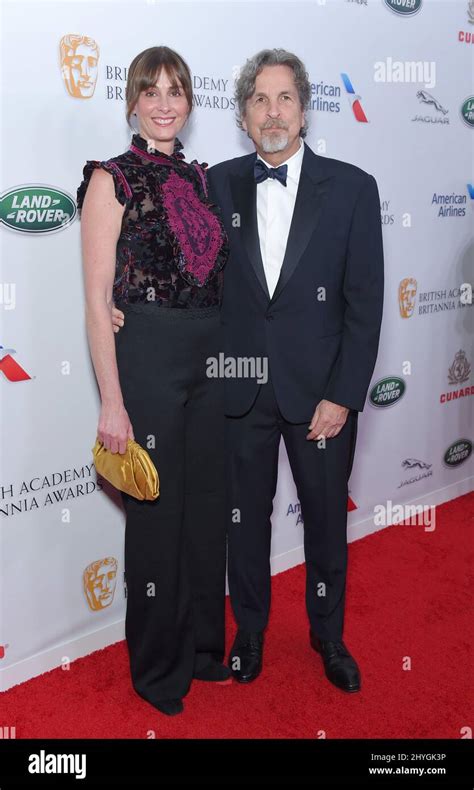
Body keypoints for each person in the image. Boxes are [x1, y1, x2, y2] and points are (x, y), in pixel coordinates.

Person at [113, 48, 384, 695]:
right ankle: (251, 634)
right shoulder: (213, 183)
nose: (272, 111)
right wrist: (117, 309)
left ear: (304, 108)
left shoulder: (352, 188)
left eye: (284, 97)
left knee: (324, 521)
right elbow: (168, 263)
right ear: (240, 113)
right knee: (243, 524)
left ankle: (328, 636)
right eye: (259, 99)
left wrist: (344, 396)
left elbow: (365, 305)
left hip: (320, 397)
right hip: (234, 392)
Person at [77, 45, 230, 716]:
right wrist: (112, 400)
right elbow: (95, 300)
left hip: (209, 360)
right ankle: (157, 669)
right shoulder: (110, 179)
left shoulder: (202, 179)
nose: (165, 103)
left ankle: (201, 650)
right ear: (133, 101)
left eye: (177, 91)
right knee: (157, 521)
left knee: (202, 517)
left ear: (190, 104)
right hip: (147, 360)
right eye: (152, 90)